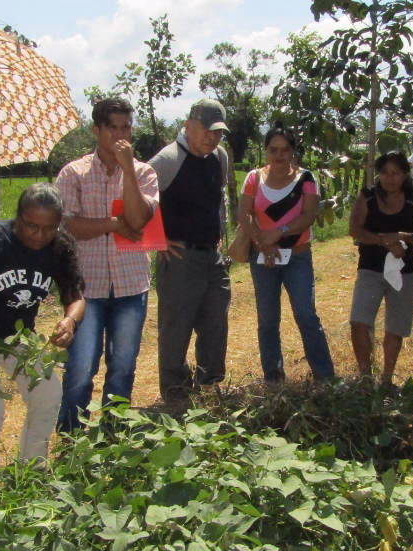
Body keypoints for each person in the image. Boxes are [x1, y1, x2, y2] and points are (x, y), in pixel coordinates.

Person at [0, 183, 84, 477]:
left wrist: (69, 321)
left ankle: (31, 470)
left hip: (20, 336)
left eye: (48, 228)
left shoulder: (60, 246)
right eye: (31, 226)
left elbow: (75, 296)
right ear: (18, 216)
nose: (39, 236)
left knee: (49, 393)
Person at [55, 97, 158, 430]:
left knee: (123, 366)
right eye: (112, 127)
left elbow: (139, 218)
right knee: (82, 367)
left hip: (131, 284)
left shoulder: (143, 172)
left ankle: (113, 439)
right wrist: (113, 224)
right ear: (96, 130)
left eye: (126, 127)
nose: (120, 135)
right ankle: (71, 438)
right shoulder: (74, 174)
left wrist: (127, 168)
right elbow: (68, 226)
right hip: (88, 288)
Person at [148, 98, 232, 406]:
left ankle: (209, 390)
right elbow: (128, 197)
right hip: (181, 259)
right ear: (189, 124)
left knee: (215, 324)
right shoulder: (168, 160)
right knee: (176, 330)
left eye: (218, 133)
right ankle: (177, 398)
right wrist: (156, 241)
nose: (212, 138)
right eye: (208, 131)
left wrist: (221, 232)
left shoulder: (219, 157)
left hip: (212, 256)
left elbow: (219, 199)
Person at [237, 122, 334, 382]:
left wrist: (277, 233)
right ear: (266, 151)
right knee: (267, 320)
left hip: (298, 257)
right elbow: (243, 214)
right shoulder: (253, 178)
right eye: (273, 150)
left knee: (306, 315)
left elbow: (308, 216)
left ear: (293, 152)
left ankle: (325, 378)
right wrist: (262, 242)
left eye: (285, 150)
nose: (279, 156)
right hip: (261, 257)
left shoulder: (306, 179)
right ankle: (273, 378)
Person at [348, 151, 413, 386]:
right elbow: (355, 230)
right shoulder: (367, 197)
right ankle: (366, 376)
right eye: (385, 173)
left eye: (395, 173)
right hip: (370, 267)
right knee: (359, 321)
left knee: (395, 327)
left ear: (404, 175)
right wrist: (382, 240)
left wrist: (403, 238)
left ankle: (387, 379)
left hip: (404, 271)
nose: (390, 179)